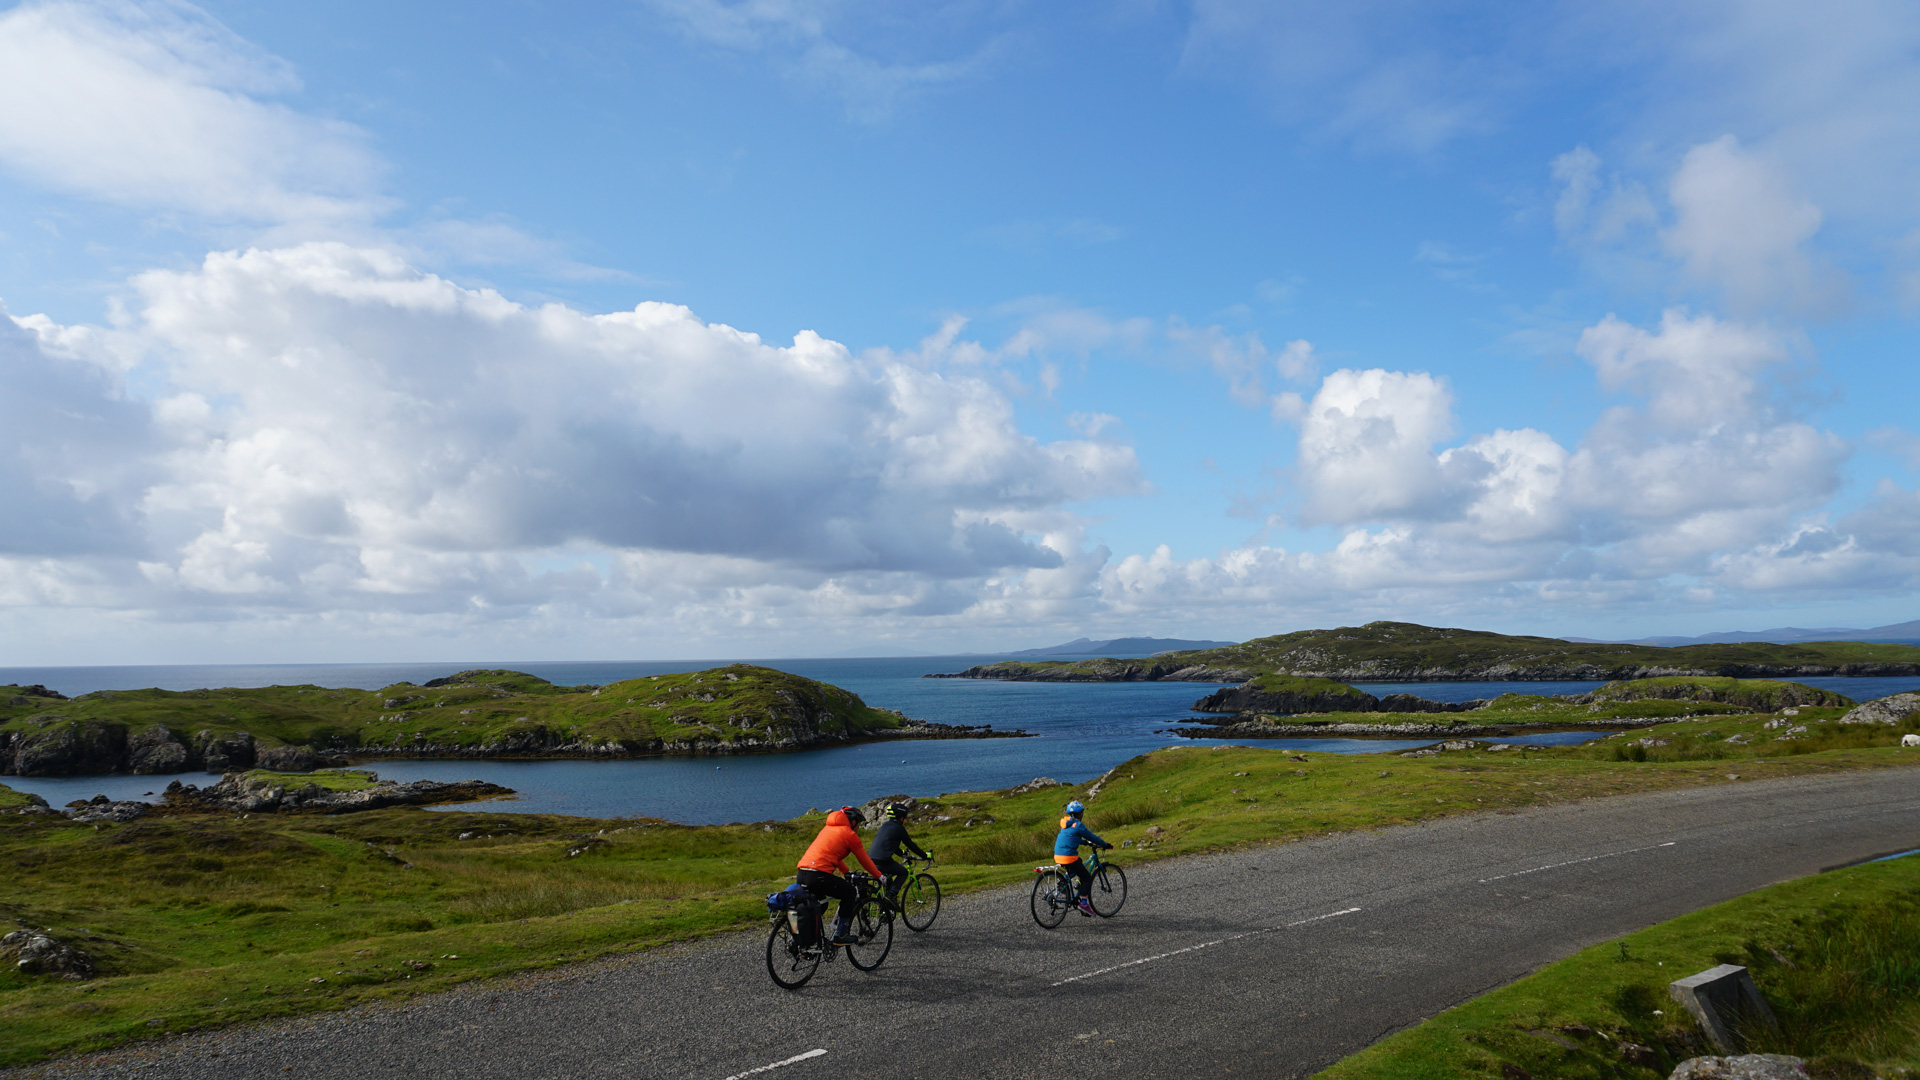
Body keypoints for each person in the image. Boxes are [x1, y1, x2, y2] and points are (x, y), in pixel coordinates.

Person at [796, 805, 883, 944]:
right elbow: (864, 860)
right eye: (859, 824)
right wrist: (879, 876)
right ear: (853, 822)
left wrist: (846, 872)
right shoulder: (849, 834)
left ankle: (806, 940)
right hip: (819, 876)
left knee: (820, 904)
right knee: (849, 893)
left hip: (802, 874)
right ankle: (841, 935)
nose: (859, 828)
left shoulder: (827, 830)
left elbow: (833, 857)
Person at [1053, 800, 1111, 916]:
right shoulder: (1078, 825)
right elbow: (1092, 836)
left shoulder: (1065, 824)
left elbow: (1072, 838)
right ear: (1080, 814)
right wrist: (1105, 844)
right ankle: (1083, 903)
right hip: (1069, 857)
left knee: (1077, 863)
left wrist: (1084, 843)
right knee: (1087, 878)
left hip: (1058, 856)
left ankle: (1062, 884)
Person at [867, 803, 931, 903]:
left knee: (887, 882)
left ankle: (885, 913)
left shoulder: (885, 826)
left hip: (870, 860)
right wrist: (925, 855)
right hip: (883, 861)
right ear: (901, 818)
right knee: (903, 872)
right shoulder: (899, 828)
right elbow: (911, 845)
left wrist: (901, 853)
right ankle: (892, 895)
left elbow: (890, 844)